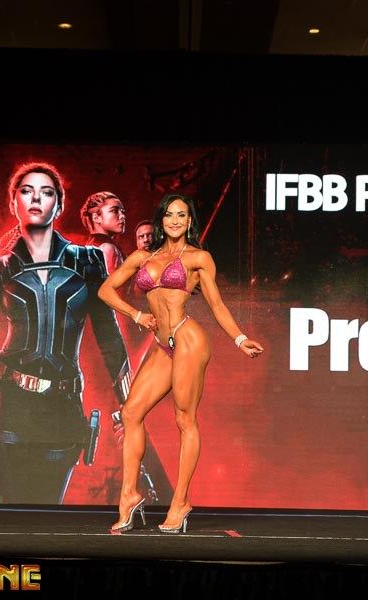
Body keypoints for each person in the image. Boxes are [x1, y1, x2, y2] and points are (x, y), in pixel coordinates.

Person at [0, 162, 132, 504]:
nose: (36, 198)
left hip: (62, 408)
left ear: (59, 205)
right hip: (5, 403)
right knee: (9, 514)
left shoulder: (89, 262)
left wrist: (132, 408)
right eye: (27, 191)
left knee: (47, 514)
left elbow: (110, 338)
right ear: (13, 204)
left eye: (46, 192)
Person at [98, 194, 264, 533]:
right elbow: (105, 291)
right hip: (162, 345)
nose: (175, 220)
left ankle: (180, 501)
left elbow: (216, 305)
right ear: (161, 221)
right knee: (131, 413)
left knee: (184, 419)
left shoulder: (198, 258)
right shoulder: (143, 257)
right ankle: (129, 496)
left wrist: (239, 338)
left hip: (187, 339)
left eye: (182, 215)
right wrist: (136, 315)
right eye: (169, 215)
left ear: (190, 222)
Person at [80, 191, 126, 273]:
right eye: (114, 210)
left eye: (122, 211)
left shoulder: (90, 246)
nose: (123, 216)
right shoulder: (108, 248)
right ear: (96, 218)